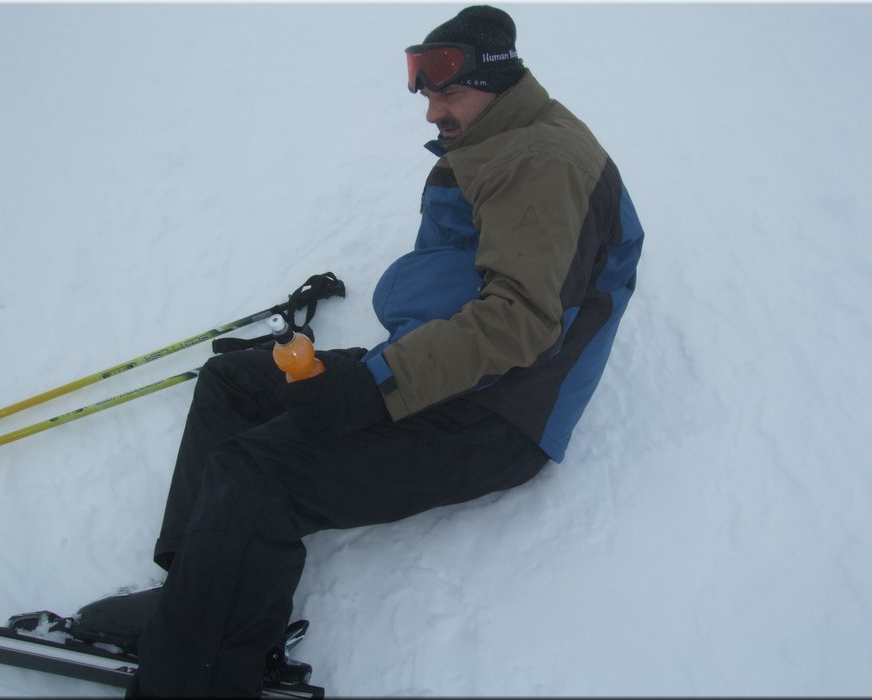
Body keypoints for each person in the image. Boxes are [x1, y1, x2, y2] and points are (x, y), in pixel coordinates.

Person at [131, 5, 645, 696]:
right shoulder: (505, 142)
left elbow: (521, 320)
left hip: (495, 414)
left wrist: (373, 385)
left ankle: (199, 673)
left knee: (256, 474)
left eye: (448, 93)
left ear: (495, 83)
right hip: (453, 376)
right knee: (235, 382)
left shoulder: (541, 160)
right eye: (427, 95)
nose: (433, 112)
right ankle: (194, 599)